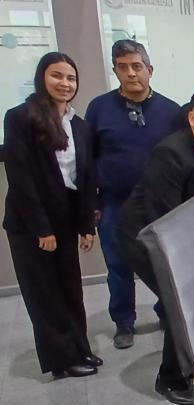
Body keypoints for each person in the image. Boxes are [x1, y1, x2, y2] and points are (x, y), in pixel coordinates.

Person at [117, 87, 194, 405]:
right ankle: (170, 379)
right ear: (192, 118)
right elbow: (166, 219)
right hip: (148, 238)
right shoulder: (170, 154)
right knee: (181, 304)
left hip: (185, 235)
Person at [3, 52, 103, 378]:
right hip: (32, 223)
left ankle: (80, 349)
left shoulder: (79, 125)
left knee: (71, 289)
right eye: (57, 76)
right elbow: (21, 178)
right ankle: (61, 360)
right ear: (42, 78)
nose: (65, 83)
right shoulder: (20, 118)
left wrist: (86, 225)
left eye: (71, 78)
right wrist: (41, 229)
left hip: (66, 217)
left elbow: (85, 177)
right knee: (45, 295)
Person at [86, 39, 181, 350]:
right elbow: (87, 159)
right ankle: (124, 321)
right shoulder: (99, 108)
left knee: (163, 263)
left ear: (149, 70)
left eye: (137, 66)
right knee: (118, 265)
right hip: (114, 202)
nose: (131, 73)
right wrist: (92, 202)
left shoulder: (171, 111)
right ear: (115, 71)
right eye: (123, 67)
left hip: (158, 203)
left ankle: (167, 312)